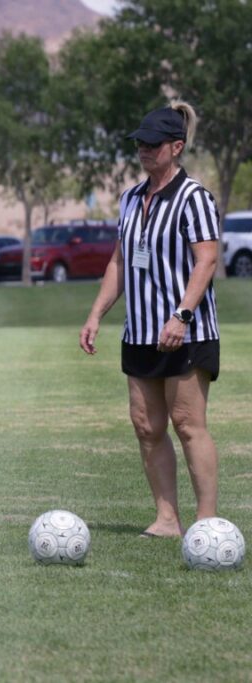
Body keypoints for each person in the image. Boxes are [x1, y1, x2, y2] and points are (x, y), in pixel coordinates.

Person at [79, 101, 221, 539]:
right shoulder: (130, 198)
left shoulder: (194, 197)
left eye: (152, 144)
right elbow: (119, 262)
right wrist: (96, 313)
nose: (143, 150)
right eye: (139, 143)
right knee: (146, 426)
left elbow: (207, 260)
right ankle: (166, 519)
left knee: (187, 424)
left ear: (176, 147)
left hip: (186, 331)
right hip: (139, 332)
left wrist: (181, 315)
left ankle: (206, 522)